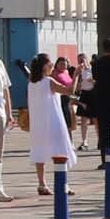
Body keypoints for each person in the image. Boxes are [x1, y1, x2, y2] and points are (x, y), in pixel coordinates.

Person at [25, 53, 76, 193]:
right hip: (53, 119)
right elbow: (69, 91)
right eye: (50, 64)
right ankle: (63, 183)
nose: (52, 66)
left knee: (39, 151)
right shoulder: (48, 81)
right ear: (43, 67)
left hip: (38, 122)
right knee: (61, 151)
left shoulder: (31, 83)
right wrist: (76, 74)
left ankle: (42, 183)